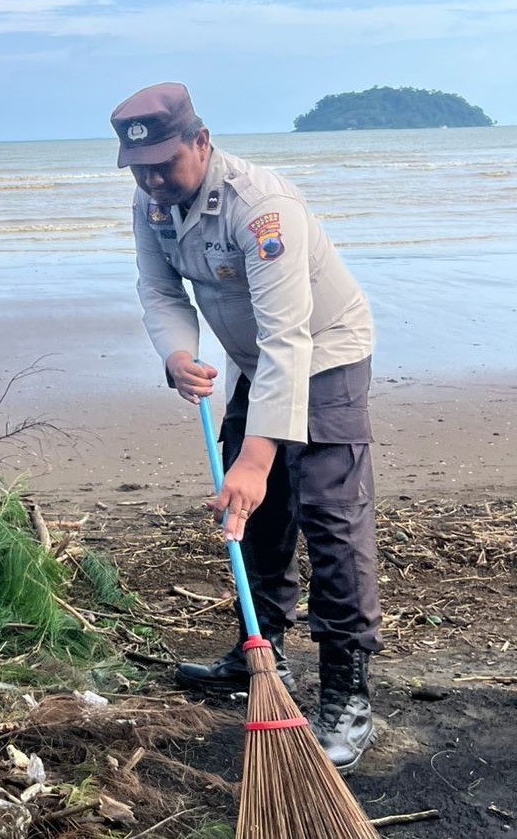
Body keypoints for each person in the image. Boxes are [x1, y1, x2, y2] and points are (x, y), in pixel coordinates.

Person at [112, 82, 380, 773]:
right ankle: (259, 655)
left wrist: (259, 459)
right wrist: (175, 354)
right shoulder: (151, 204)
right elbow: (161, 290)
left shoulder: (262, 208)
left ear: (202, 142)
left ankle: (348, 694)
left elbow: (290, 336)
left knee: (327, 515)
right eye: (139, 169)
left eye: (165, 164)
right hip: (254, 361)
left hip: (323, 353)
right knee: (251, 517)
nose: (152, 180)